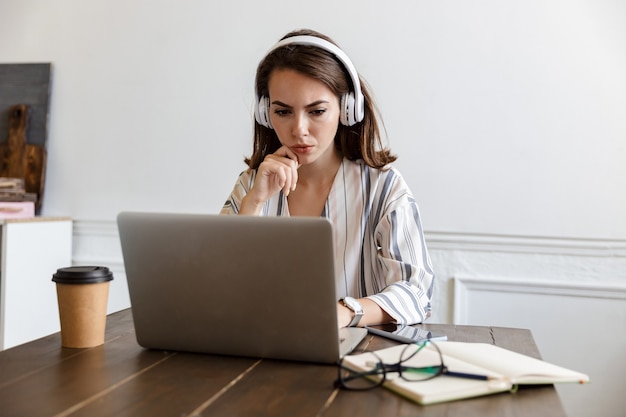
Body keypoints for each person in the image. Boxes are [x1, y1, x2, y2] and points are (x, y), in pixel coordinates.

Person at [221, 28, 435, 329]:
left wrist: (346, 312)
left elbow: (417, 291)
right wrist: (253, 203)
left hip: (357, 359)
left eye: (317, 111)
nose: (299, 129)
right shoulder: (250, 186)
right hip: (263, 353)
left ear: (347, 109)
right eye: (282, 111)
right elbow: (219, 286)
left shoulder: (383, 187)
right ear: (265, 114)